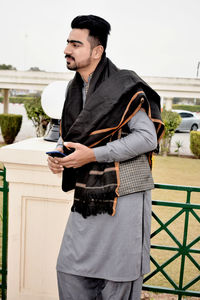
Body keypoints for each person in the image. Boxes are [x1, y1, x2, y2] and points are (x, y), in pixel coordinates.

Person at [47, 15, 164, 300]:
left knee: (117, 281)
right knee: (70, 272)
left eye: (76, 44)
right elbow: (76, 136)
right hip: (88, 196)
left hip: (123, 194)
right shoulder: (73, 89)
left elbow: (148, 138)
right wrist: (61, 156)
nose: (67, 49)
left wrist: (92, 155)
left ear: (97, 51)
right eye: (67, 42)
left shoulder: (123, 87)